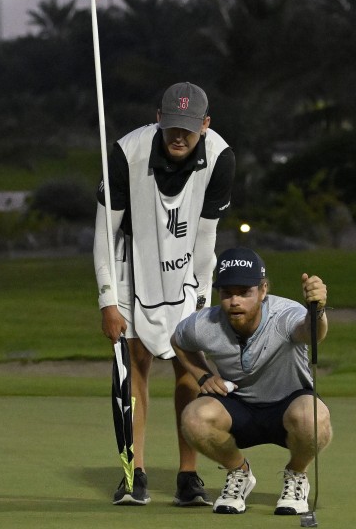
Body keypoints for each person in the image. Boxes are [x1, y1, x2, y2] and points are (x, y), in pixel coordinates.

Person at [94, 82, 236, 506]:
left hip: (187, 268)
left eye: (189, 129)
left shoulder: (221, 158)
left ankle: (188, 476)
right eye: (172, 125)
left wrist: (202, 305)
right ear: (159, 117)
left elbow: (207, 238)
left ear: (205, 125)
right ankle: (133, 473)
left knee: (187, 367)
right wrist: (107, 300)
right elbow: (105, 233)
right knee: (137, 365)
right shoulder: (125, 153)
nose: (179, 136)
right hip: (131, 265)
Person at [170, 247, 332, 515]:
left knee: (313, 419)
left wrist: (318, 309)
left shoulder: (284, 314)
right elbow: (178, 342)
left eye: (244, 292)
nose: (235, 301)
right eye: (227, 293)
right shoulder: (204, 323)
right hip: (238, 408)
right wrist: (203, 375)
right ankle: (239, 473)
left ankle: (296, 474)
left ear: (263, 290)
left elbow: (312, 332)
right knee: (194, 418)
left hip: (288, 405)